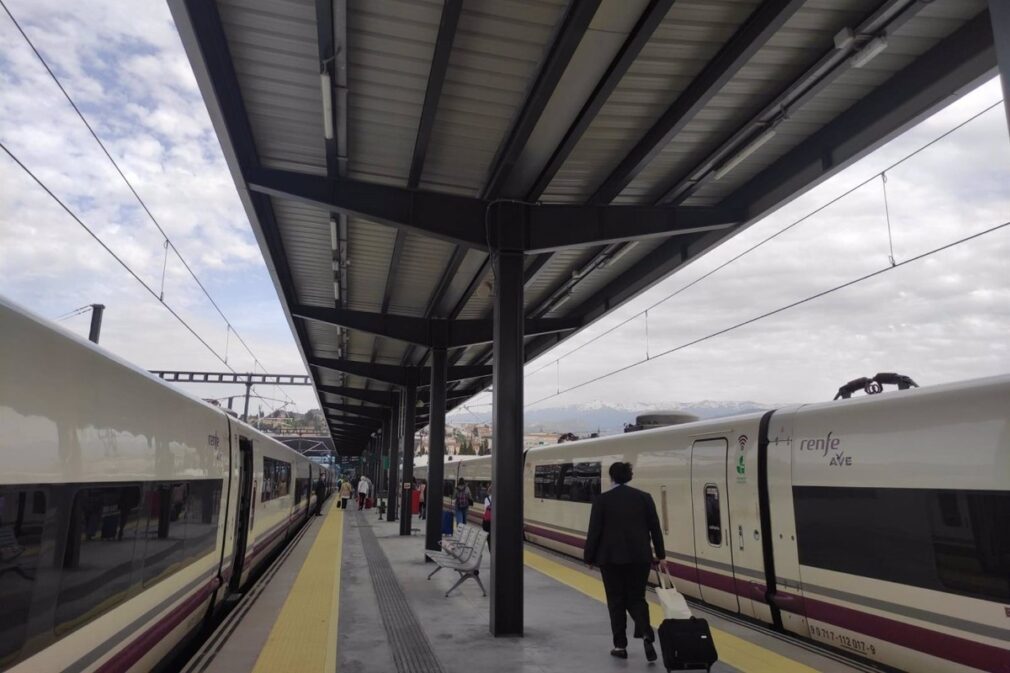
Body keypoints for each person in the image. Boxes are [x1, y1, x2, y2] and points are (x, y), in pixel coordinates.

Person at [584, 462, 665, 662]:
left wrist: (589, 558)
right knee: (637, 598)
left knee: (616, 601)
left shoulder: (602, 500)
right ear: (629, 476)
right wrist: (661, 556)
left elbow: (594, 532)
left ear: (611, 477)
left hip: (610, 559)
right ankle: (646, 633)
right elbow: (655, 528)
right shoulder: (644, 498)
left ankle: (620, 646)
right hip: (640, 558)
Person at [482, 484, 492, 552]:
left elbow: (485, 510)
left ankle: (491, 550)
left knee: (489, 536)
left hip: (488, 521)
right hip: (496, 521)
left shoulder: (487, 499)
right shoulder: (499, 498)